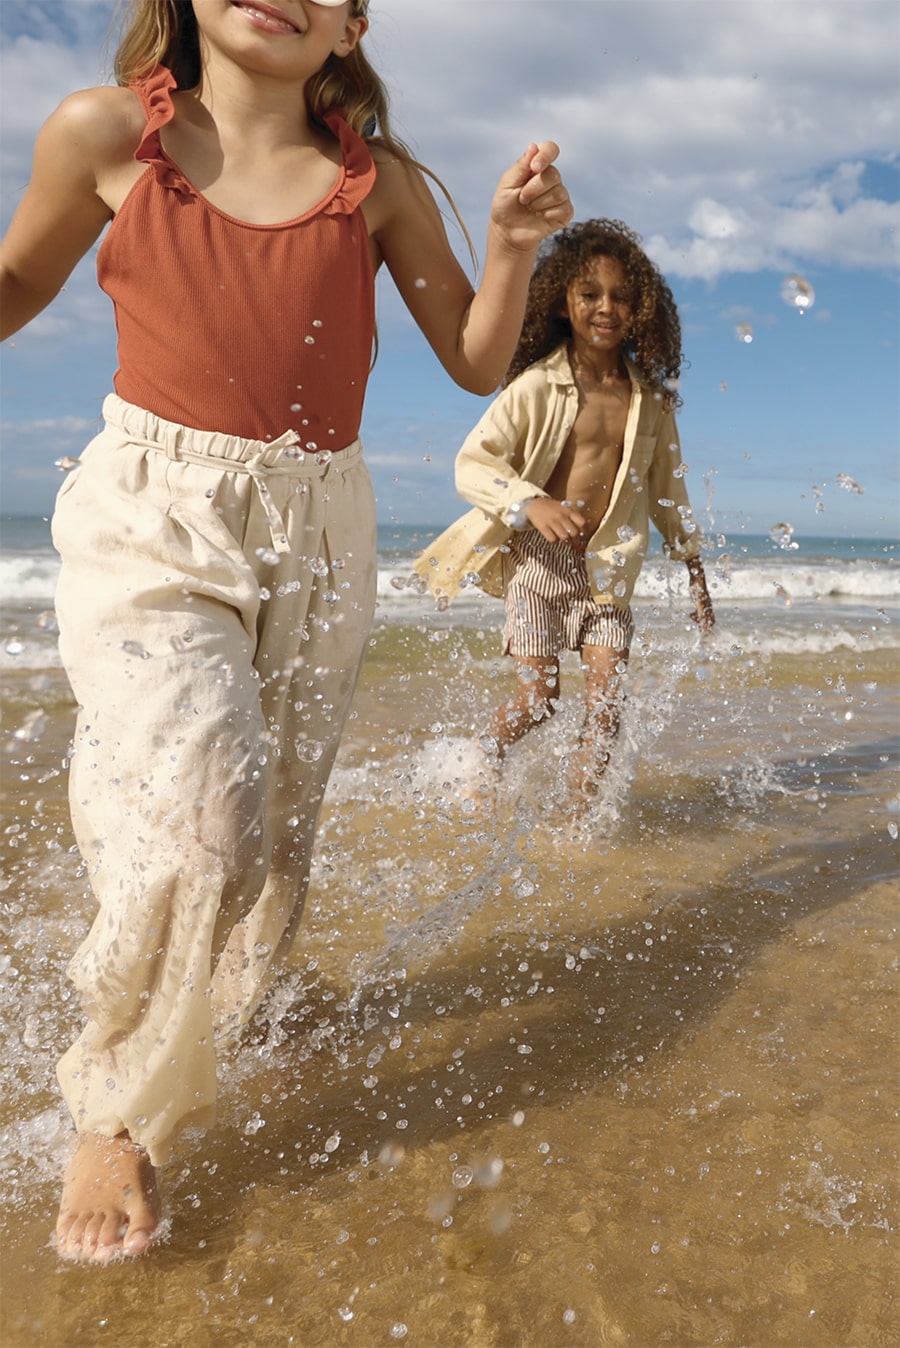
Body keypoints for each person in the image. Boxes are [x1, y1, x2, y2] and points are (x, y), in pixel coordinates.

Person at [0, 0, 572, 1263]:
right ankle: (117, 1107)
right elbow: (12, 289)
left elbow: (476, 360)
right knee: (198, 793)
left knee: (265, 837)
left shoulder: (377, 184)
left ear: (353, 22)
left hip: (320, 529)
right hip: (156, 506)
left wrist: (519, 245)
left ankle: (221, 1011)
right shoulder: (108, 135)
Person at [414, 218, 714, 811]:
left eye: (623, 297)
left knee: (607, 706)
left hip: (607, 570)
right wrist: (530, 501)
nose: (607, 307)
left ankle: (580, 827)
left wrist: (694, 566)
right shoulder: (534, 386)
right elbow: (473, 464)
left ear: (642, 309)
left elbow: (667, 490)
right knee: (541, 699)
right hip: (538, 564)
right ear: (561, 301)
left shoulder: (650, 402)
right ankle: (488, 755)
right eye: (590, 294)